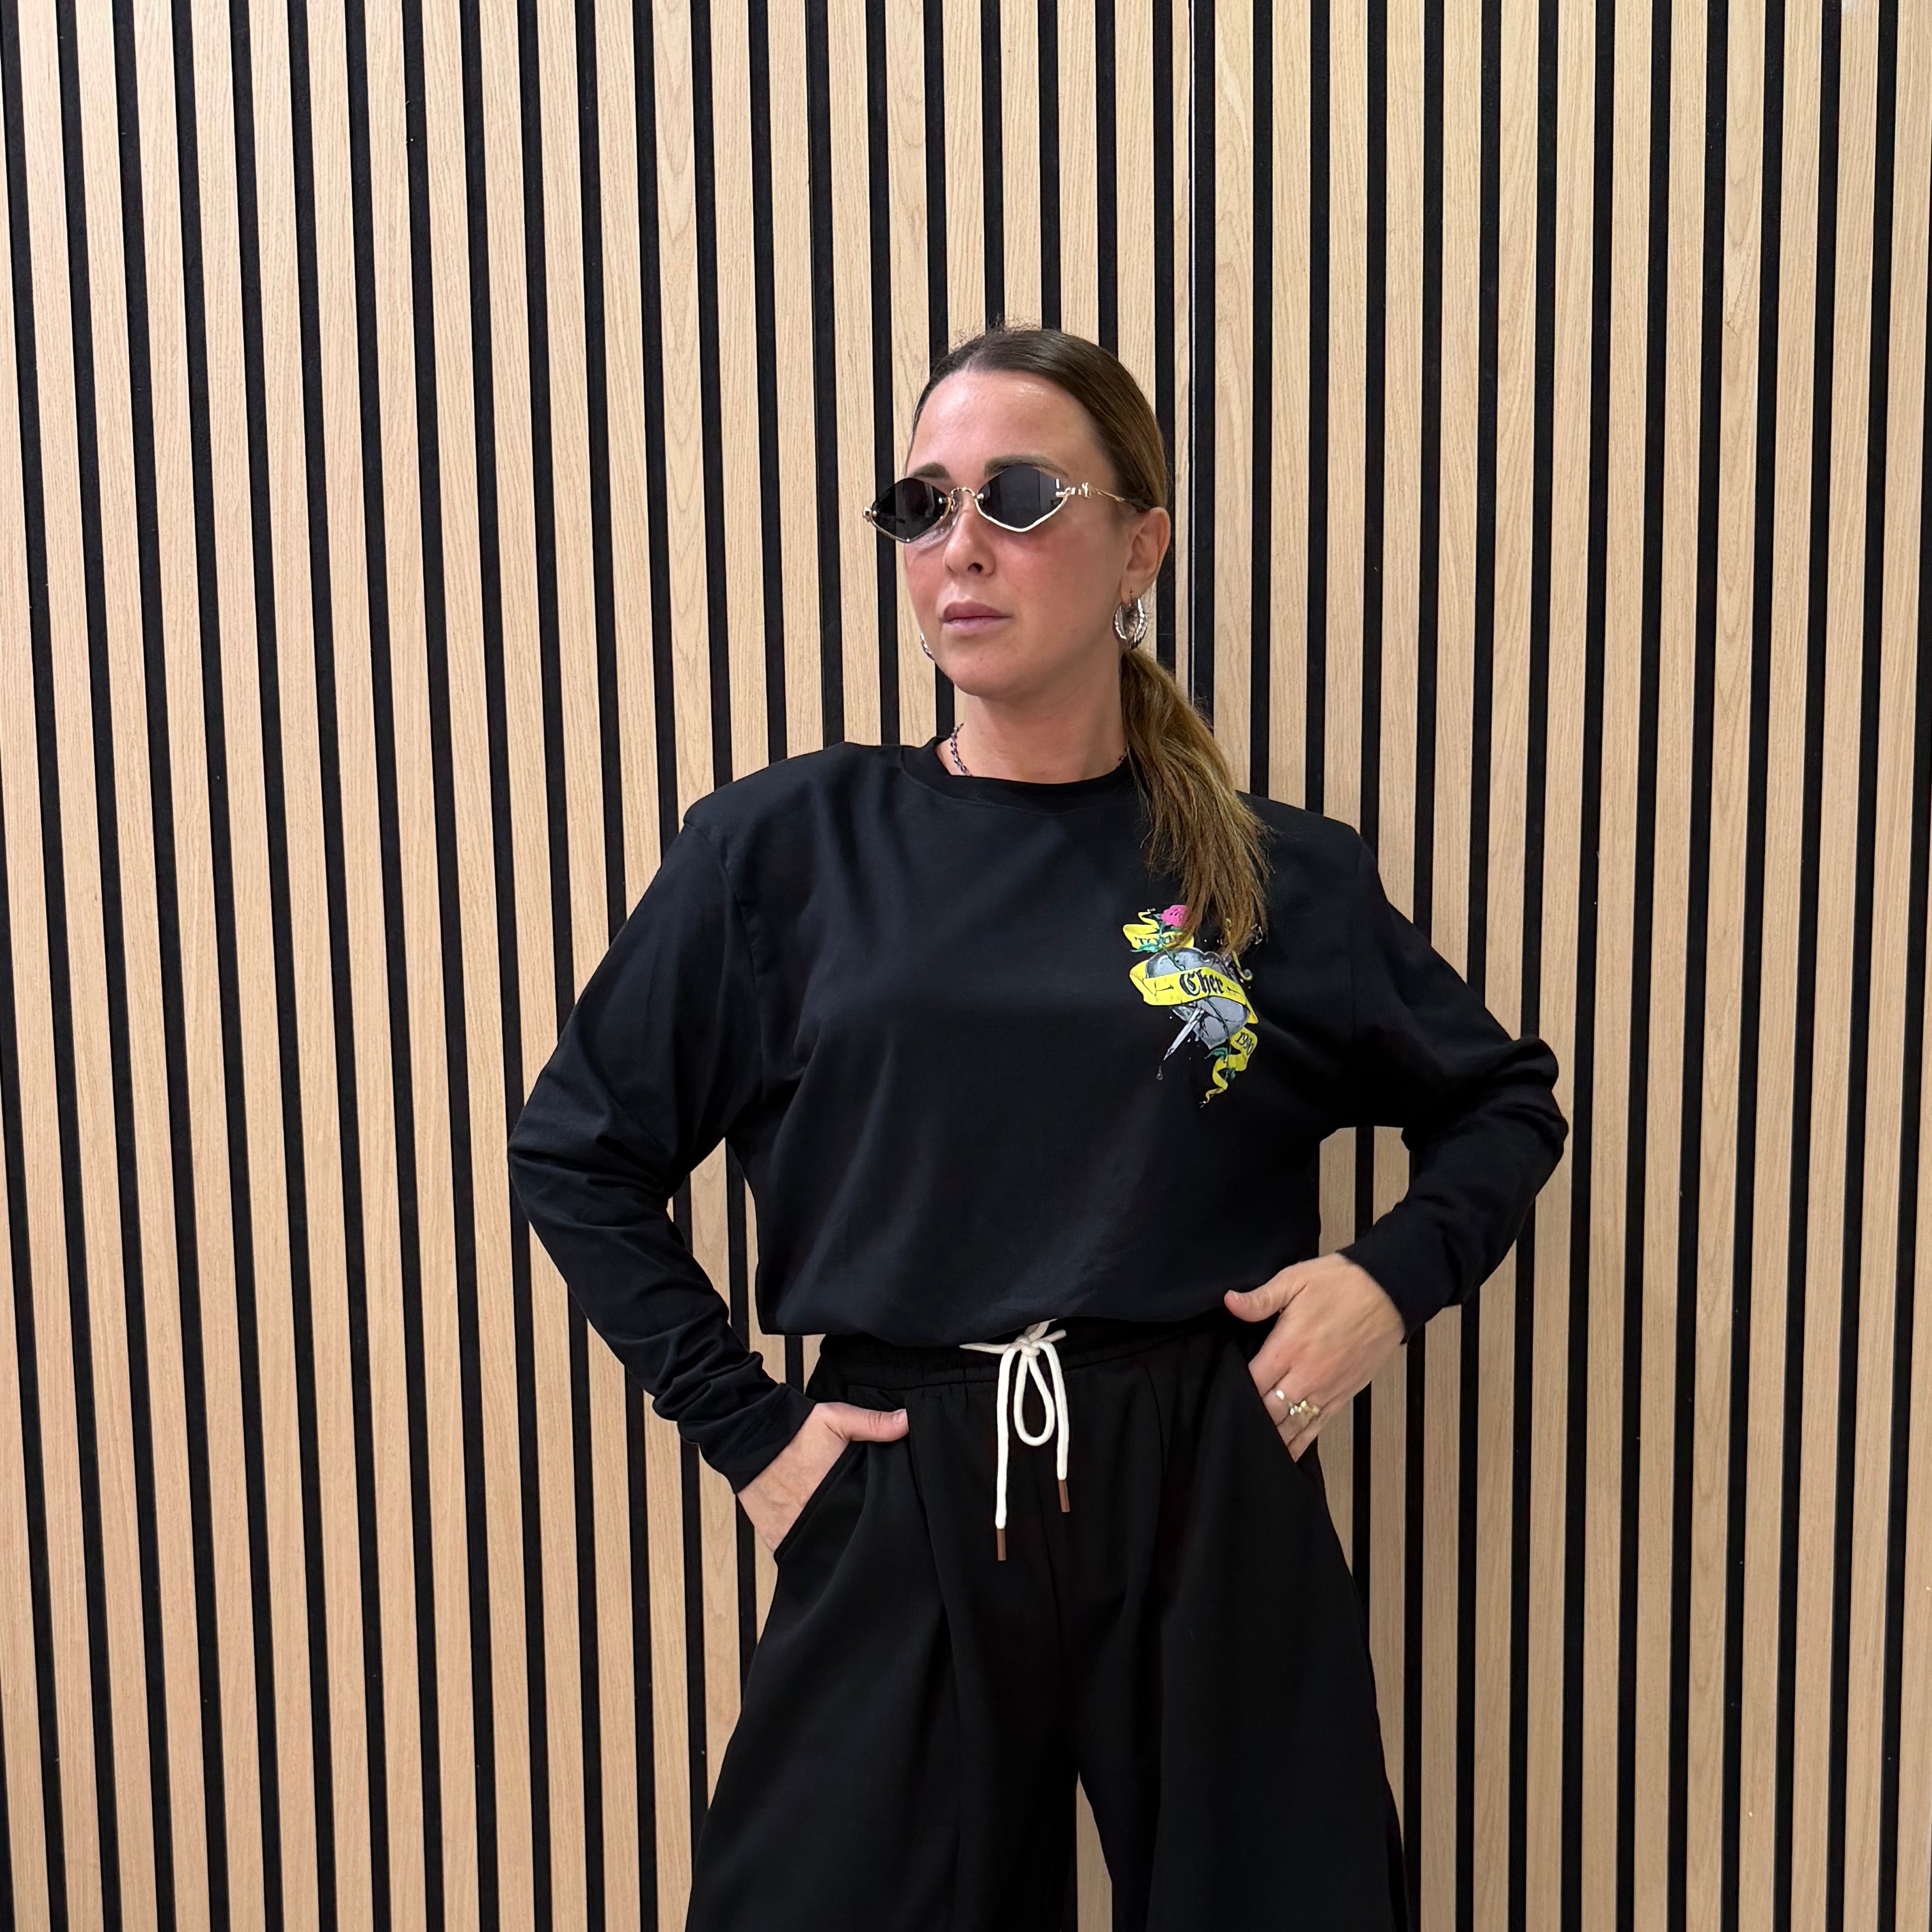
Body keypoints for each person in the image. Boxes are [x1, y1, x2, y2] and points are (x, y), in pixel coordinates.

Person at [504, 323, 1569, 1931]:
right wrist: (750, 1432)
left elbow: (1499, 1101)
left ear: (1140, 545)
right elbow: (579, 1150)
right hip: (900, 1482)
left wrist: (1384, 1282)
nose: (960, 546)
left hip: (1205, 1479)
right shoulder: (784, 852)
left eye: (1015, 495)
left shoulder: (1270, 877)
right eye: (921, 505)